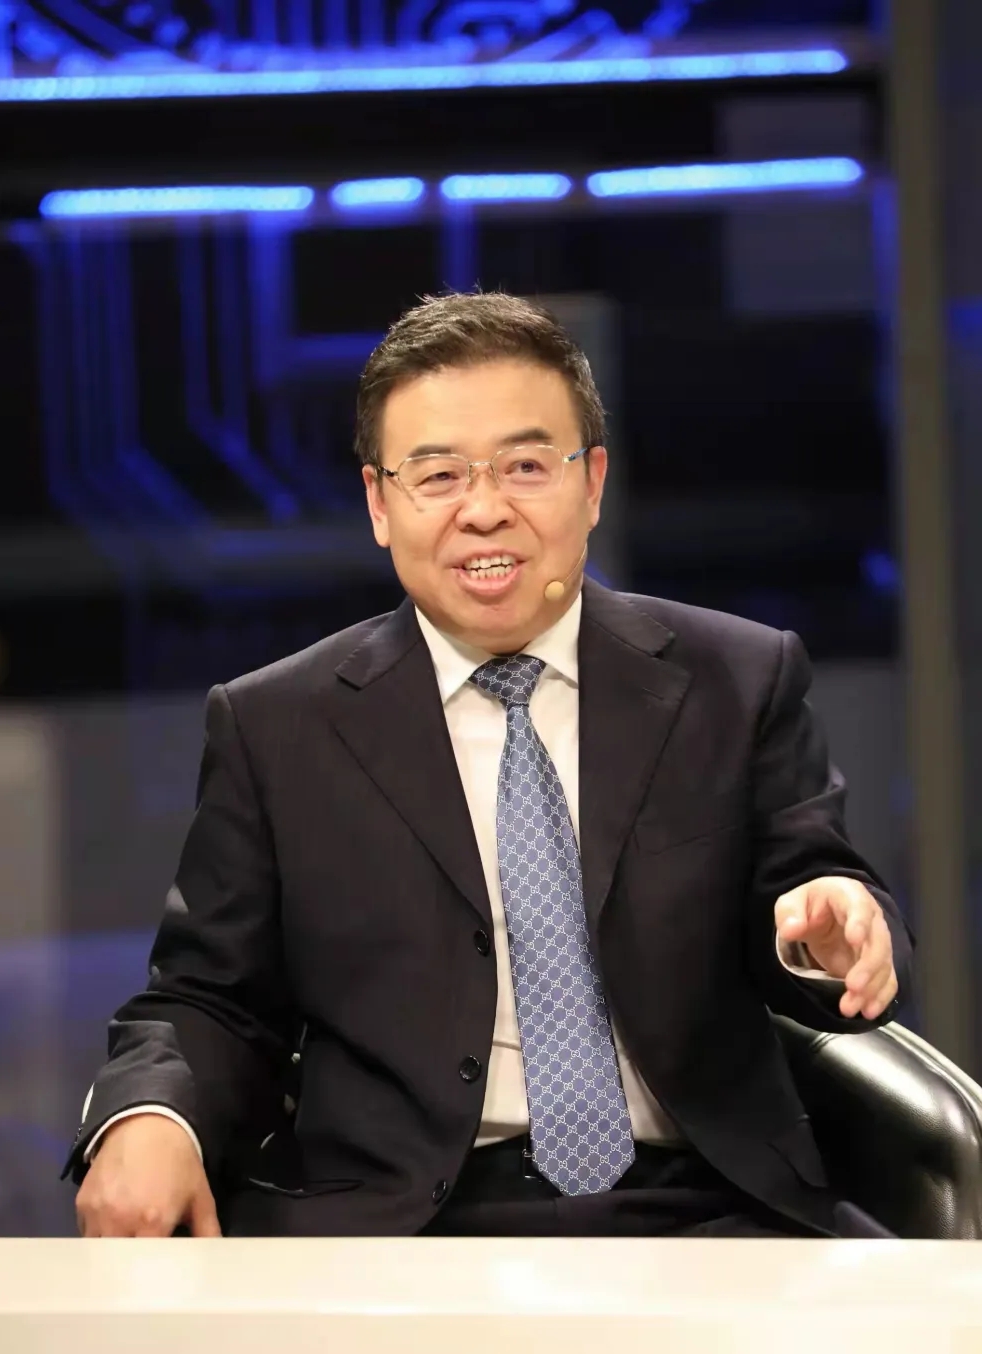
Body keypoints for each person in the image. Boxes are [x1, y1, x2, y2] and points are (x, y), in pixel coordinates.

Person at [67, 291, 912, 1241]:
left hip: (705, 1207)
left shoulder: (739, 679)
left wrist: (830, 932)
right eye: (437, 476)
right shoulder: (276, 725)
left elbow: (812, 888)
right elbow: (207, 997)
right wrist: (153, 1114)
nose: (484, 511)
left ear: (592, 482)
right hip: (398, 1230)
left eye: (525, 467)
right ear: (379, 504)